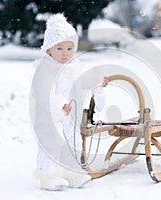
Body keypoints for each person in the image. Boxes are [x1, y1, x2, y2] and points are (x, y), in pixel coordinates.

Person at [31, 13, 108, 191]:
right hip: (51, 116)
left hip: (70, 116)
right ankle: (48, 176)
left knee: (72, 143)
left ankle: (72, 173)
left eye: (69, 48)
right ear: (48, 49)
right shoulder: (45, 70)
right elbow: (43, 93)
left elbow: (84, 79)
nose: (65, 54)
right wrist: (57, 106)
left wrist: (97, 83)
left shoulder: (74, 66)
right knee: (51, 143)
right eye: (59, 49)